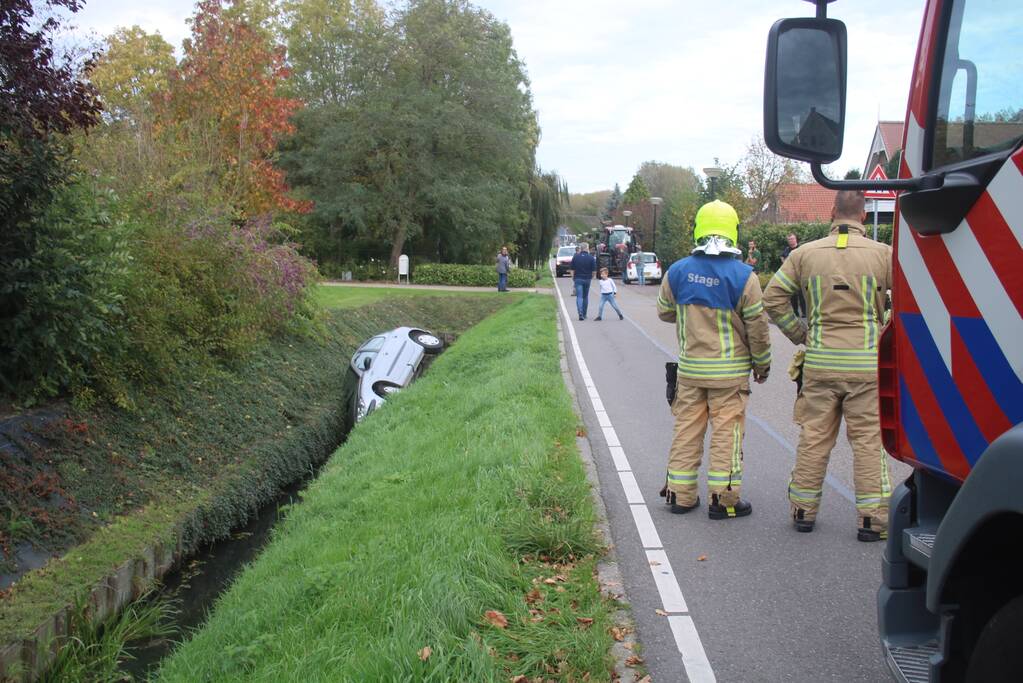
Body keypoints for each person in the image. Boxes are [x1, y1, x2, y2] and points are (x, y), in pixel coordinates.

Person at [763, 190, 893, 541]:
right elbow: (911, 301)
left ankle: (803, 511)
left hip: (820, 364)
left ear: (832, 213)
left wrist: (799, 333)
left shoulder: (805, 254)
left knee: (814, 438)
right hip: (866, 366)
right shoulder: (884, 255)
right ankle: (872, 521)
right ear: (864, 215)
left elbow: (772, 298)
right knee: (867, 441)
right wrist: (886, 331)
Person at [656, 200, 771, 520]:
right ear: (733, 231)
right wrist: (762, 366)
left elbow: (664, 311)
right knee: (726, 434)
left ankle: (679, 495)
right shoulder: (744, 277)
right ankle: (724, 500)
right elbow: (758, 330)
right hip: (730, 377)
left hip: (691, 372)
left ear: (699, 229)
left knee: (686, 431)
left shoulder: (677, 271)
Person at [780, 233, 806, 318]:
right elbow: (782, 257)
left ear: (796, 239)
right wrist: (785, 263)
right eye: (789, 239)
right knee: (793, 296)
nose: (791, 240)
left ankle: (804, 312)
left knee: (802, 295)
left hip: (800, 275)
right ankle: (795, 312)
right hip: (790, 276)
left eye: (792, 239)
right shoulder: (787, 249)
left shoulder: (800, 248)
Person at [570, 242, 597, 320]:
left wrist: (573, 278)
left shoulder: (575, 257)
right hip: (587, 279)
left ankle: (580, 313)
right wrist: (590, 277)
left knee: (579, 296)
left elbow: (572, 270)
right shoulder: (591, 258)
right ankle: (584, 314)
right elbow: (594, 272)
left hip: (578, 279)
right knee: (585, 297)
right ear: (587, 248)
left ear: (581, 248)